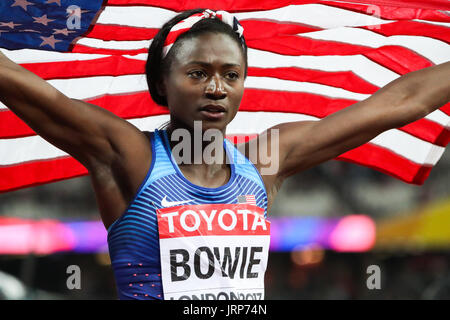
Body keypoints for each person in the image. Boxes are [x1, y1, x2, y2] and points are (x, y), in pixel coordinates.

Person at [0, 8, 449, 300]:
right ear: (162, 84)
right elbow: (31, 91)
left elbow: (400, 103)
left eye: (230, 75)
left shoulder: (266, 161)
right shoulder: (129, 157)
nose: (216, 88)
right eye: (197, 73)